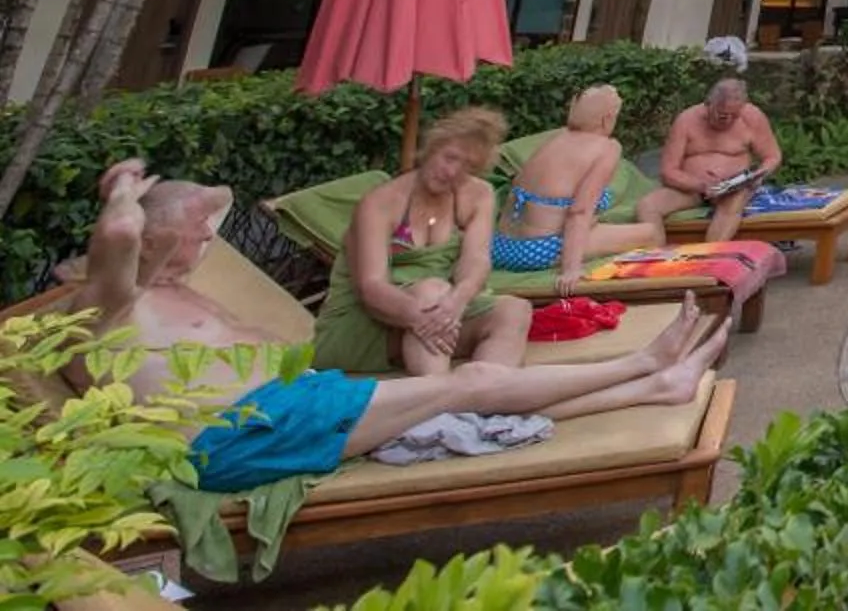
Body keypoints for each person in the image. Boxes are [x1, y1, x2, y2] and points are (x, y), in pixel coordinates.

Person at [75, 159, 725, 495]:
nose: (205, 247)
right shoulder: (104, 307)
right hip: (240, 436)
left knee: (465, 387)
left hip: (290, 413)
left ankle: (653, 388)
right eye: (195, 237)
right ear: (157, 234)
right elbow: (125, 232)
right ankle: (643, 366)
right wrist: (124, 187)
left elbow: (162, 236)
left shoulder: (175, 291)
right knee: (468, 385)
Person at [313, 108, 528, 377]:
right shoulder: (381, 203)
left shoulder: (478, 195)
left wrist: (458, 301)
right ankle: (438, 402)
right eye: (449, 157)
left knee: (514, 311)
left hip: (435, 318)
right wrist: (425, 318)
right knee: (432, 292)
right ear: (431, 147)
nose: (452, 172)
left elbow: (476, 260)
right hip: (364, 326)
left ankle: (487, 395)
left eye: (468, 167)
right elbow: (371, 288)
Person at [495, 86, 664, 295]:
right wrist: (571, 269)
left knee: (597, 224)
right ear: (607, 119)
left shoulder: (556, 139)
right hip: (537, 250)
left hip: (501, 247)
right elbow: (579, 212)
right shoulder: (607, 147)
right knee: (651, 233)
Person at [649, 75, 782, 243]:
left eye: (735, 115)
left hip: (733, 189)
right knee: (648, 206)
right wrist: (701, 185)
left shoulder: (752, 116)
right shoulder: (686, 120)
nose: (730, 121)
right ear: (708, 105)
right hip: (692, 189)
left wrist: (758, 175)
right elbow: (668, 171)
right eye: (723, 115)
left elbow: (772, 156)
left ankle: (709, 256)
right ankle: (655, 257)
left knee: (734, 201)